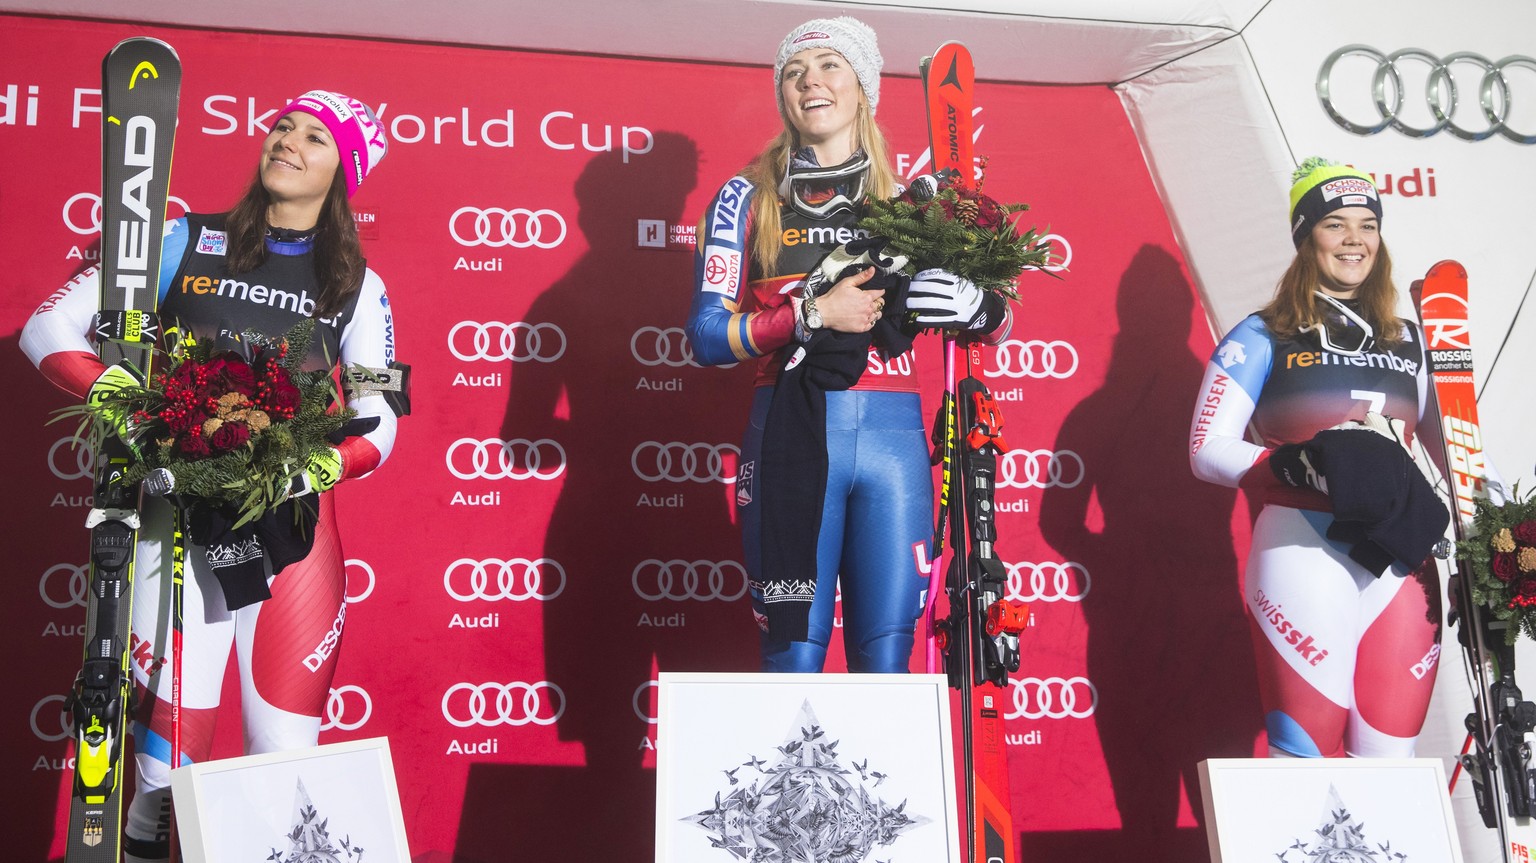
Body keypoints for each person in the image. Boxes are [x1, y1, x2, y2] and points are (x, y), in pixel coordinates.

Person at [21, 90, 398, 862]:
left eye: (315, 137)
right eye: (283, 126)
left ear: (344, 172)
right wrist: (138, 411)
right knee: (162, 771)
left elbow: (382, 414)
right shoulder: (180, 238)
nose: (288, 140)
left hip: (291, 534)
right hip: (178, 518)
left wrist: (306, 467)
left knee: (287, 762)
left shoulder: (359, 285)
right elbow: (45, 327)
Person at [686, 17, 1011, 673]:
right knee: (793, 655)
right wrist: (810, 312)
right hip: (790, 434)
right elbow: (705, 334)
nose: (811, 82)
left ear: (862, 86)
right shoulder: (744, 198)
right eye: (794, 72)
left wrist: (980, 307)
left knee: (887, 659)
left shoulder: (912, 201)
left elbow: (996, 325)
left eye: (830, 66)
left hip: (893, 446)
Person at [1188, 157, 1449, 758]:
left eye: (1368, 224)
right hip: (1302, 547)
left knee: (1391, 761)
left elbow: (1454, 456)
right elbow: (1205, 450)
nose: (1355, 240)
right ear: (1306, 238)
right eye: (1336, 224)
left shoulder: (1412, 340)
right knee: (1307, 757)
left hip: (1400, 557)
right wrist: (1287, 464)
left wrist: (1500, 527)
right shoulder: (1262, 333)